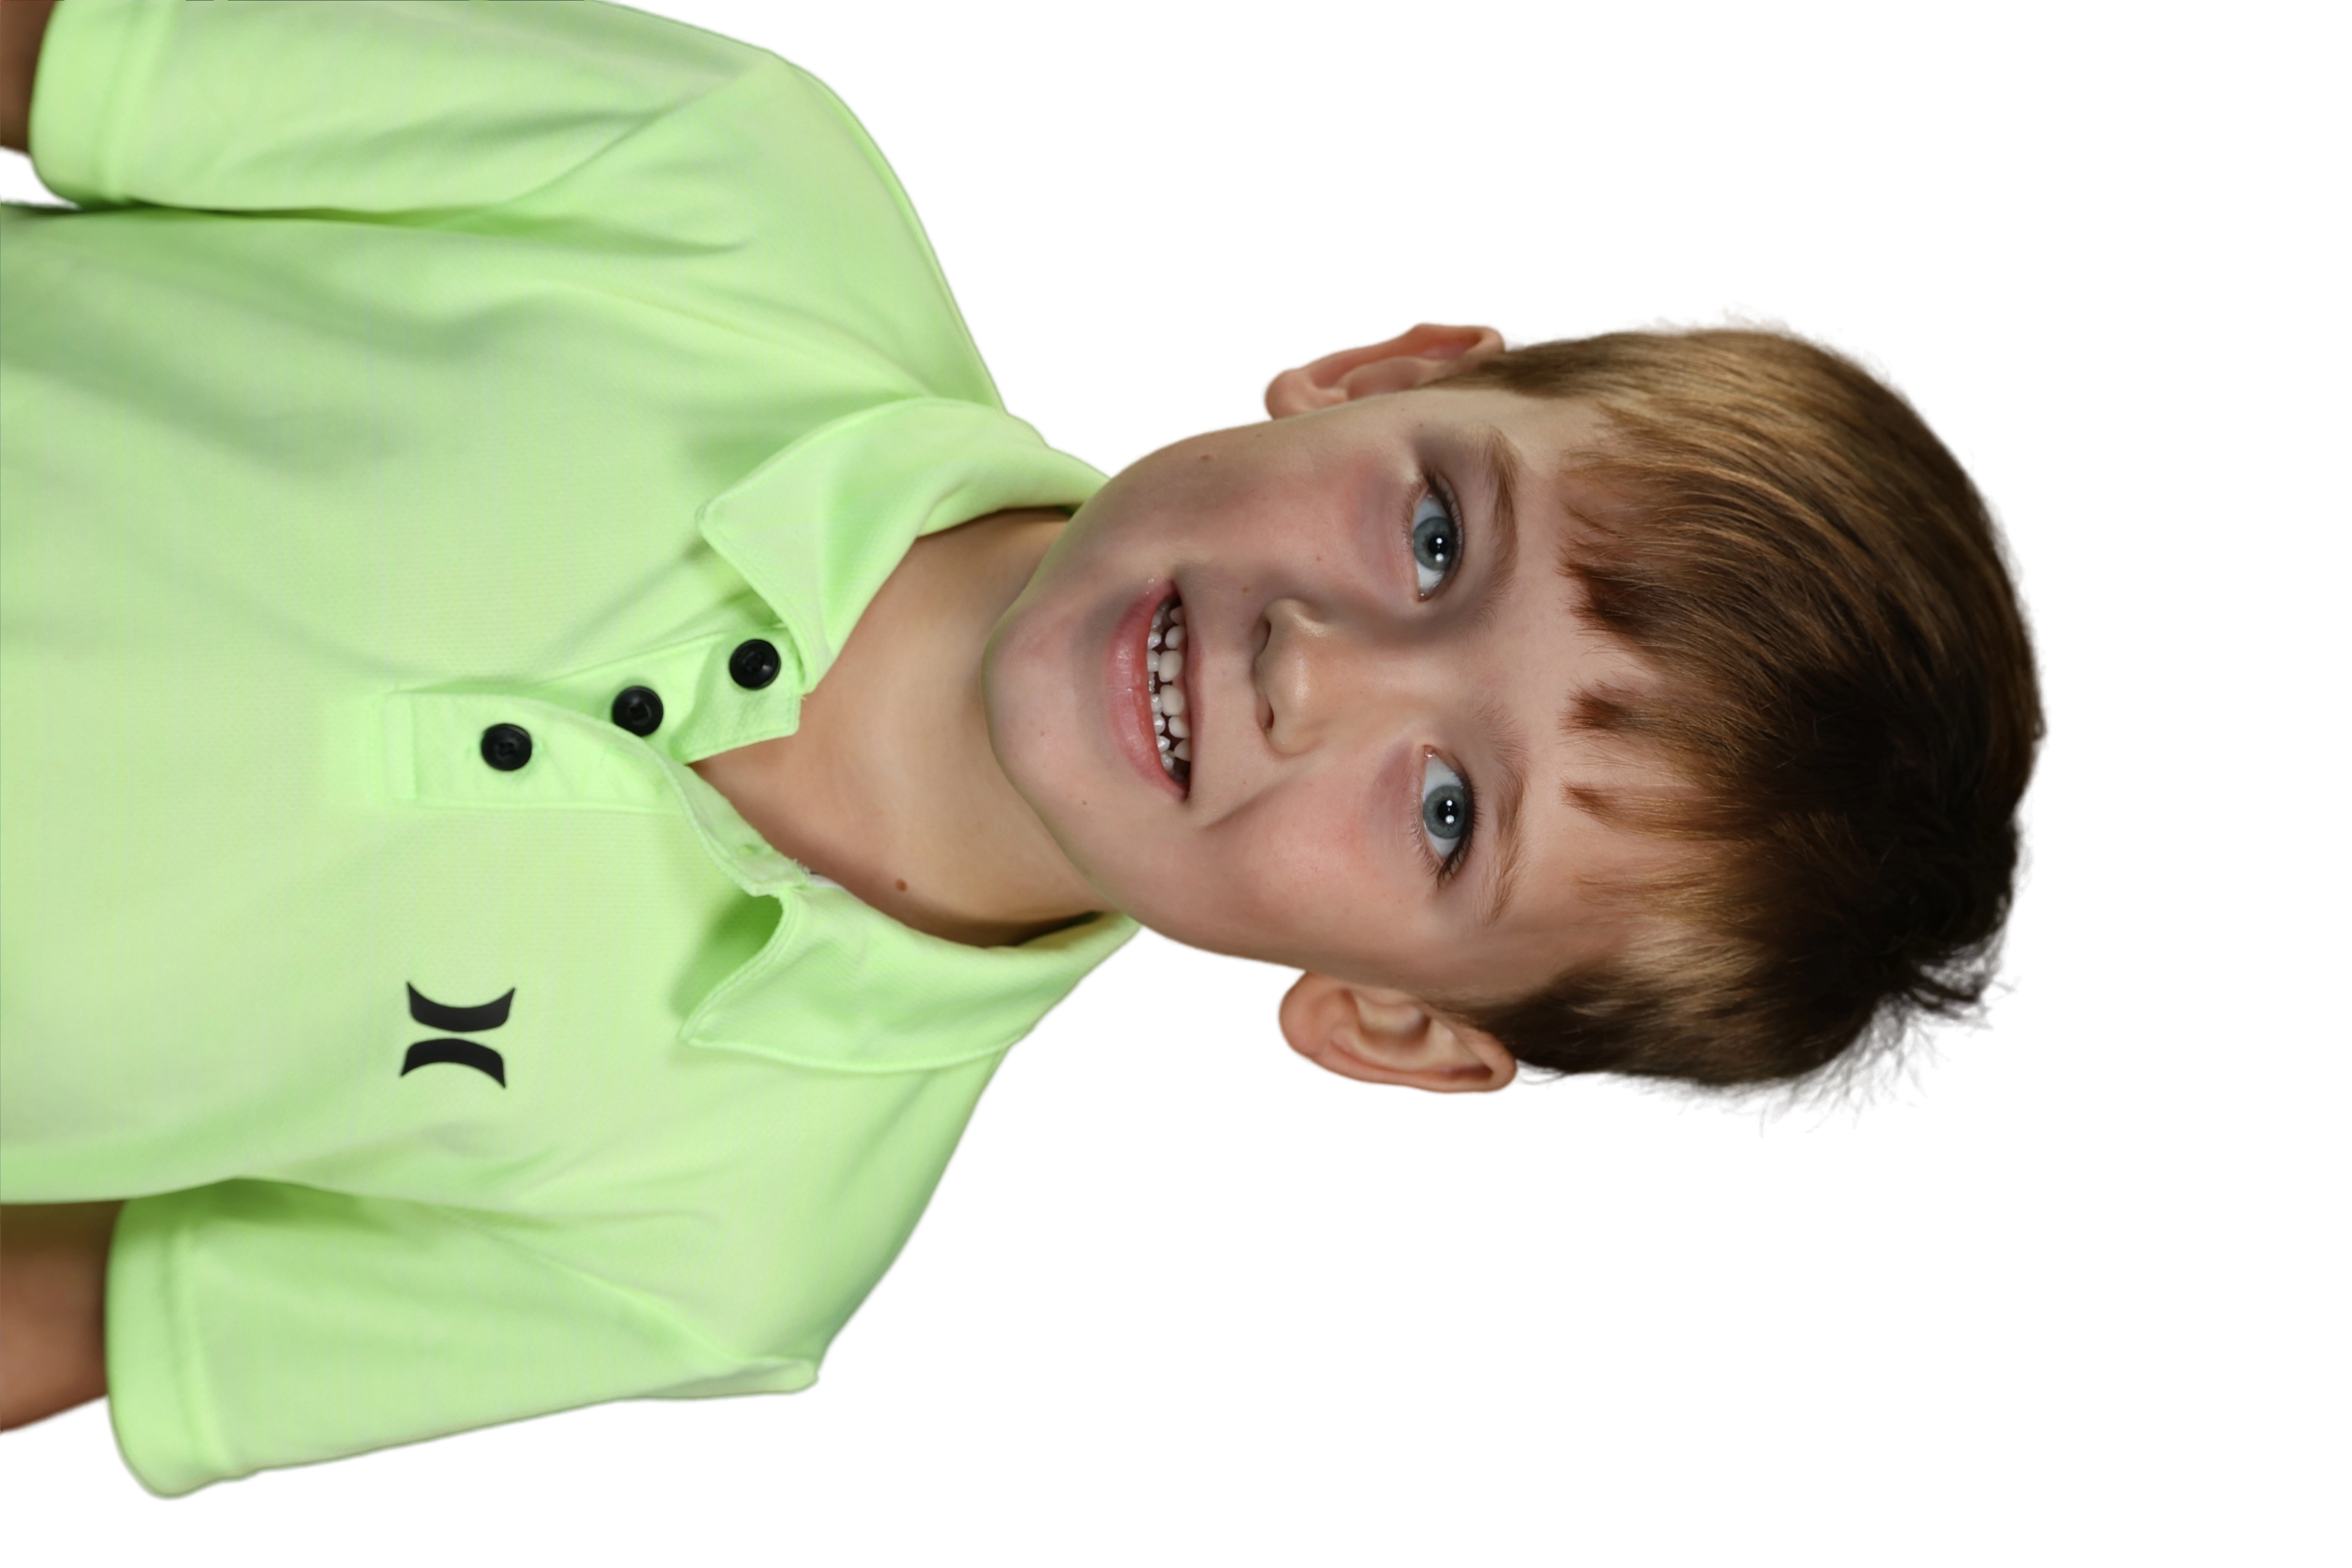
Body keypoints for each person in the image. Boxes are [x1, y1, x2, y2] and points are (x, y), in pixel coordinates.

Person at [0, 0, 2050, 1498]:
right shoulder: (723, 180)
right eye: (1437, 537)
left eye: (1449, 813)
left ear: (1403, 1029)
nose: (1316, 670)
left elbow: (62, 1321)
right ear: (1395, 368)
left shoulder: (718, 1257)